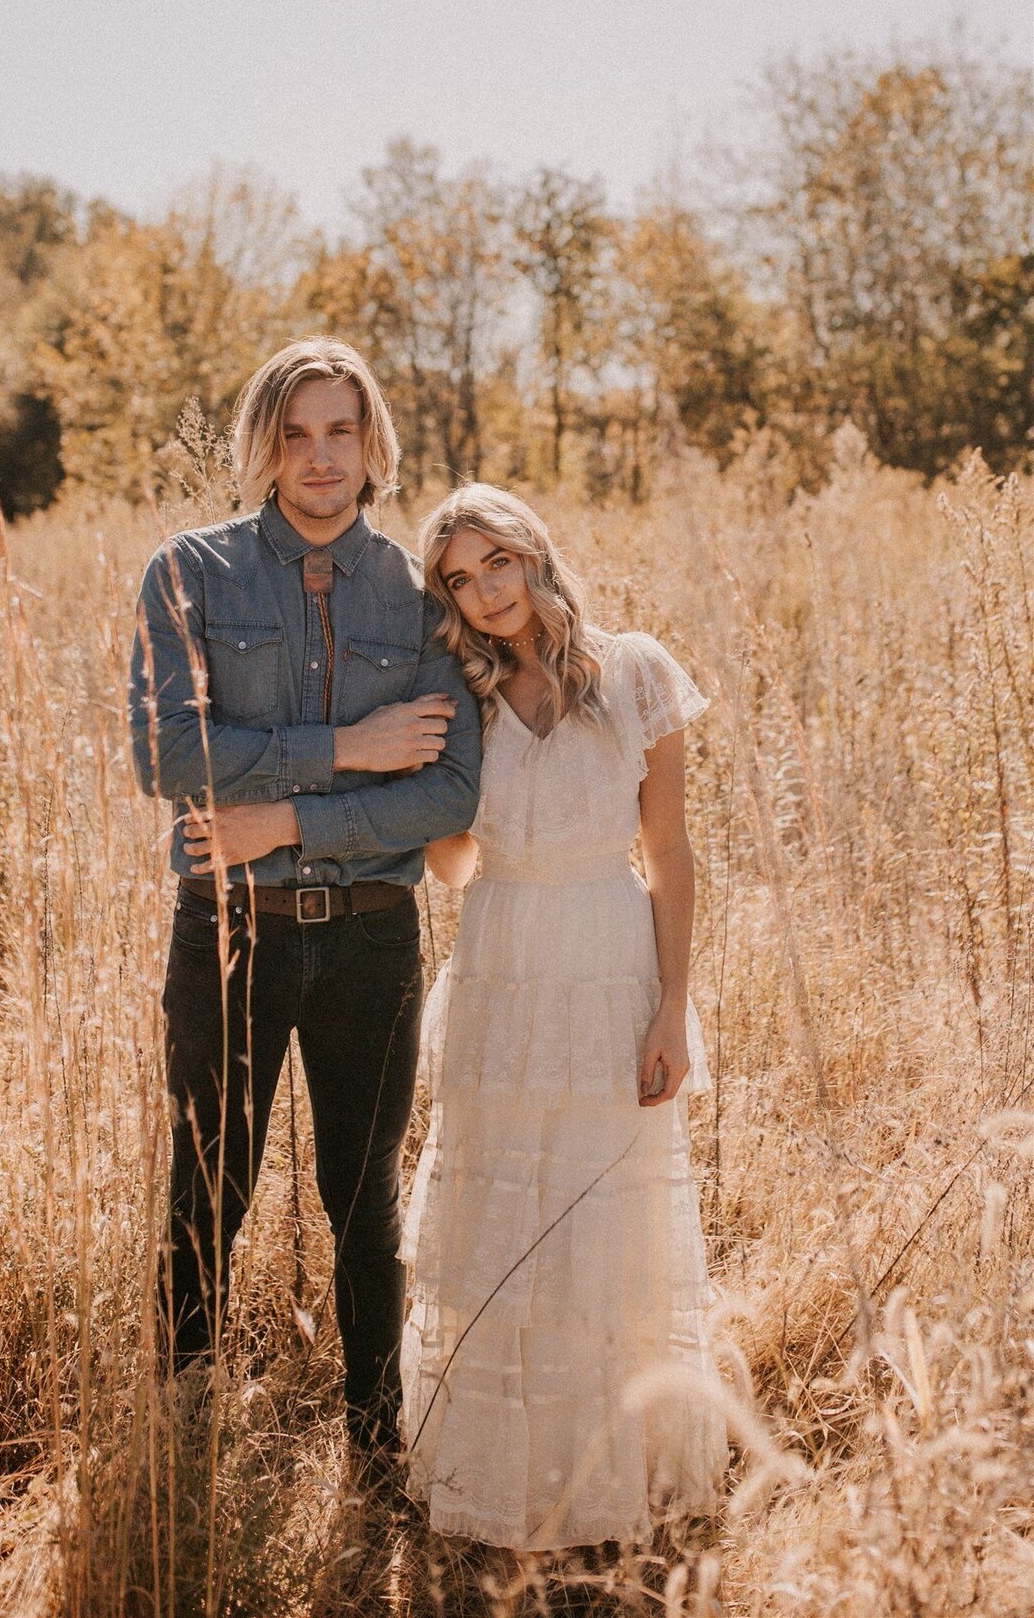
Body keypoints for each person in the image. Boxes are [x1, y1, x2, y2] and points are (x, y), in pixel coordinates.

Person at [128, 339, 481, 1472]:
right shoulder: (189, 571)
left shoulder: (428, 595)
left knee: (363, 1199)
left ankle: (378, 1449)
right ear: (264, 447)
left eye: (340, 431)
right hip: (227, 933)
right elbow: (168, 754)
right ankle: (178, 1437)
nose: (320, 458)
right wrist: (350, 749)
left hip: (376, 938)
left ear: (373, 440)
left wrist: (283, 818)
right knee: (208, 1188)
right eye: (296, 434)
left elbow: (452, 788)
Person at [400, 484, 728, 1550]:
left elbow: (670, 854)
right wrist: (425, 778)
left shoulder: (632, 671)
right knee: (499, 1215)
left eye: (497, 561)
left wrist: (674, 1006)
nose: (486, 591)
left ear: (534, 553)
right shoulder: (460, 689)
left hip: (605, 955)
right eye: (460, 578)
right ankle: (495, 1477)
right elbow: (452, 867)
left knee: (604, 1208)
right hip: (501, 957)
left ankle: (606, 1476)